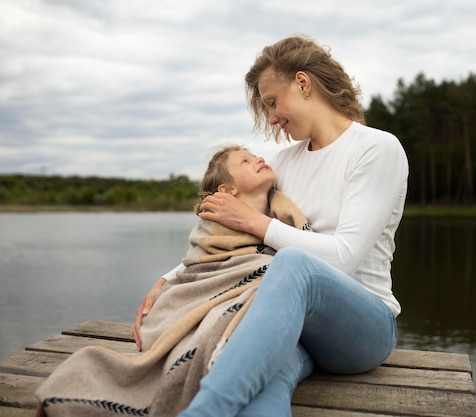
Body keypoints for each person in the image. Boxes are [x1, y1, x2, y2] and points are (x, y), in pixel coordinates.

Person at [135, 34, 409, 417]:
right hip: (298, 324)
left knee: (292, 263)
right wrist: (169, 279)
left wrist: (258, 222)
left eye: (272, 103)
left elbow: (344, 258)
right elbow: (231, 232)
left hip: (363, 328)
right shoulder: (283, 163)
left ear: (303, 83)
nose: (272, 119)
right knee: (265, 384)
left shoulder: (376, 149)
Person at [35, 144, 312, 417]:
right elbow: (200, 271)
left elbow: (283, 263)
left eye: (255, 157)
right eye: (245, 161)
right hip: (215, 301)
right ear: (227, 192)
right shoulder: (212, 231)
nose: (258, 158)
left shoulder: (283, 220)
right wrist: (164, 282)